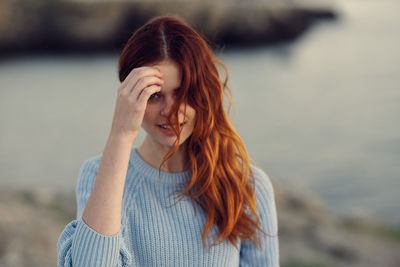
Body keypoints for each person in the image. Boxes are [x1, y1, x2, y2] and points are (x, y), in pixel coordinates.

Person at [57, 15, 279, 267]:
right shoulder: (97, 174)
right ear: (130, 98)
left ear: (204, 93)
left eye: (183, 93)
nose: (171, 111)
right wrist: (120, 136)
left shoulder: (248, 185)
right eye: (153, 96)